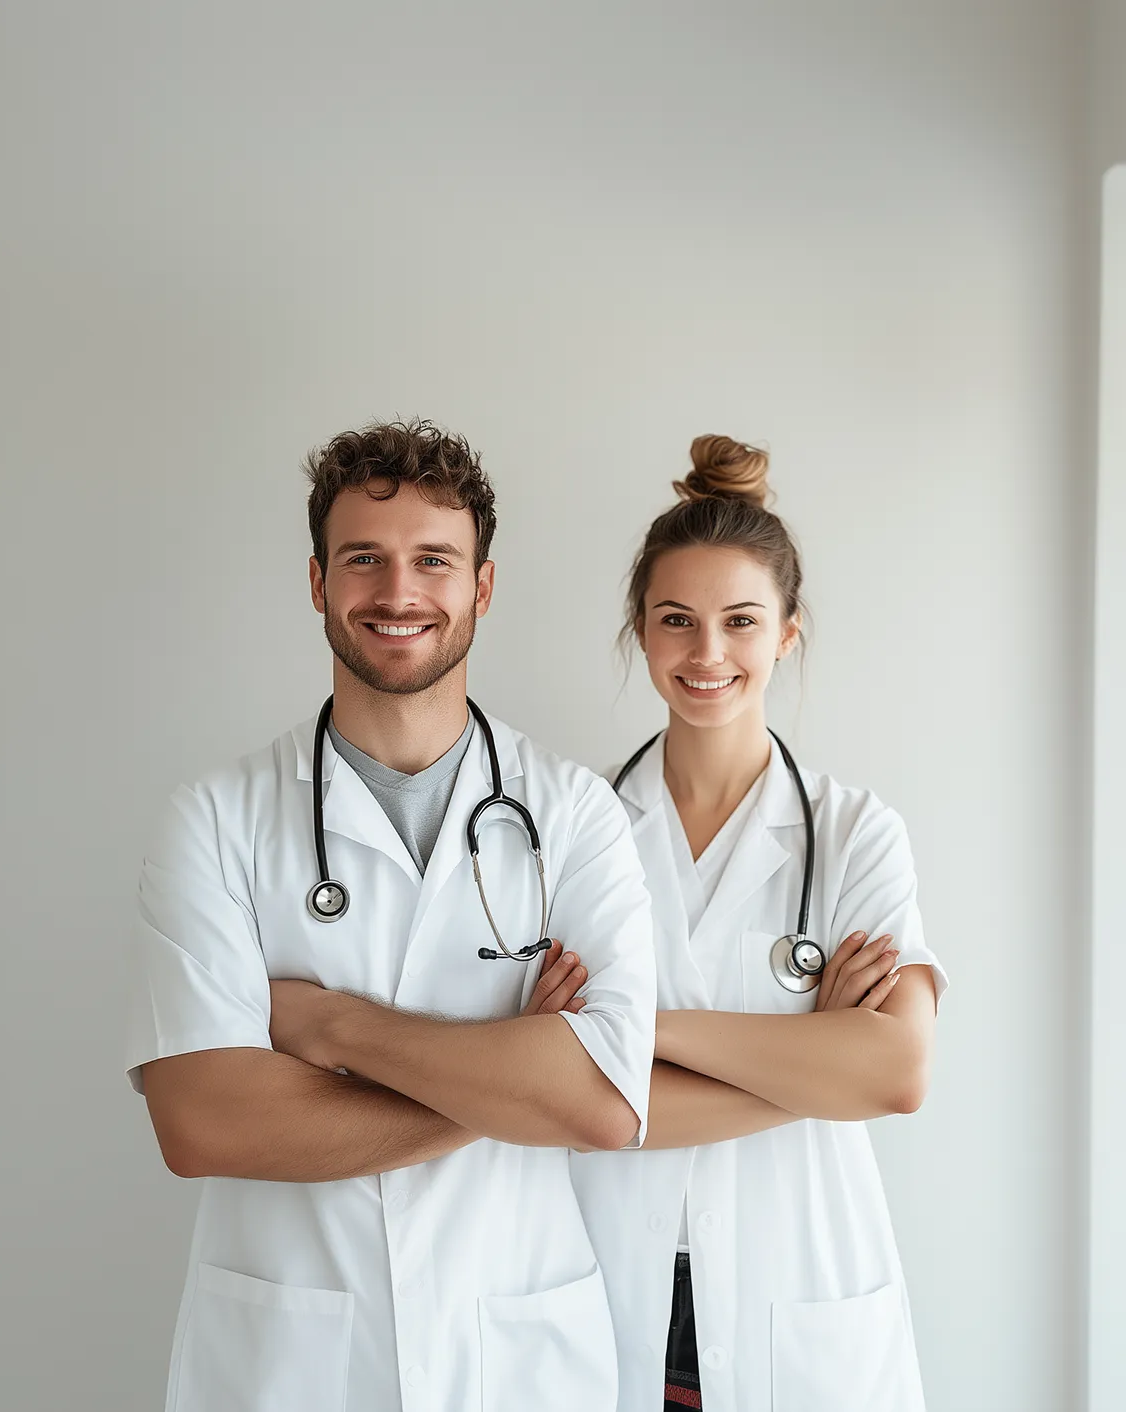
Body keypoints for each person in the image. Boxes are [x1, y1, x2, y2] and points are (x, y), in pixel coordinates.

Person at [125, 419, 656, 1412]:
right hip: (289, 1365)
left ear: (481, 588)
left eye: (433, 561)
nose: (399, 592)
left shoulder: (576, 813)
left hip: (517, 1357)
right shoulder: (214, 819)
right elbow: (202, 1122)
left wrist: (335, 1027)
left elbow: (602, 1104)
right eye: (364, 559)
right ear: (320, 581)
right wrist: (511, 1069)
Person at [568, 435, 947, 1412]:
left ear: (786, 632)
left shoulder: (858, 832)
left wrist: (629, 1026)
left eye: (740, 620)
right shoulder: (571, 833)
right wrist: (813, 1056)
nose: (707, 653)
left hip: (799, 1293)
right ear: (640, 633)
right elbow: (555, 1087)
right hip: (608, 1283)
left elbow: (896, 1073)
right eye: (676, 620)